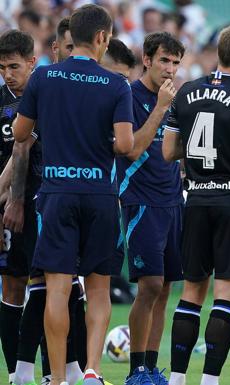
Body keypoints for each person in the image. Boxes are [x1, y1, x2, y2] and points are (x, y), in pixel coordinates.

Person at [12, 4, 135, 385]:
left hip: (57, 192)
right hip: (99, 193)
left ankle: (58, 379)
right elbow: (126, 144)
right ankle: (92, 372)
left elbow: (19, 134)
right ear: (102, 37)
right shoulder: (117, 85)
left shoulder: (44, 78)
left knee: (57, 290)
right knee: (98, 288)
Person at [163, 23, 230, 385]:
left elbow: (168, 151)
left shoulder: (186, 92)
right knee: (226, 296)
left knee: (191, 293)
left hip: (196, 200)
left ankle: (177, 378)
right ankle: (210, 380)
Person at [118, 31, 184, 385]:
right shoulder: (128, 96)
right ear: (147, 60)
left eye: (175, 62)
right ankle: (135, 370)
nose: (170, 69)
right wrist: (160, 107)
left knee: (165, 288)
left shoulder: (177, 98)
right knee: (150, 284)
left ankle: (151, 370)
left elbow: (176, 150)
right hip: (141, 199)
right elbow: (132, 149)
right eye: (164, 60)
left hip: (173, 200)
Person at [0, 28, 37, 385]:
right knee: (12, 287)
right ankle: (16, 374)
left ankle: (59, 370)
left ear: (31, 63)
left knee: (56, 286)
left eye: (13, 66)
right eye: (2, 68)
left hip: (43, 202)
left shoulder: (44, 95)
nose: (8, 74)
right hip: (6, 208)